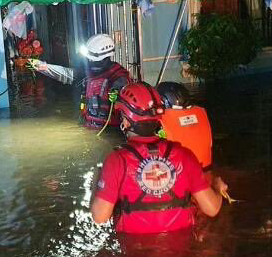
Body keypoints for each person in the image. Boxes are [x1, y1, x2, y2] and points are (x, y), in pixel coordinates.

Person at [90, 82, 225, 234]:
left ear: (126, 121)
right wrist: (218, 188)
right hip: (181, 249)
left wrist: (96, 180)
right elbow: (212, 209)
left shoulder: (116, 161)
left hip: (134, 251)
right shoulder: (184, 155)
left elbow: (100, 218)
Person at [28, 33, 131, 130]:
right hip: (88, 124)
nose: (88, 60)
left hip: (110, 129)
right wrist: (42, 66)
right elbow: (66, 74)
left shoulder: (118, 74)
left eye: (90, 58)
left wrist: (117, 92)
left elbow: (124, 87)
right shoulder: (88, 71)